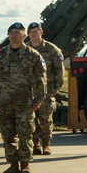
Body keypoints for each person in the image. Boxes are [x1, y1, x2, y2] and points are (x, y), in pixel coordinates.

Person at [0, 22, 46, 173]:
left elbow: (41, 80)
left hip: (25, 102)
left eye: (17, 32)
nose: (14, 35)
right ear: (8, 35)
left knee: (25, 133)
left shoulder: (33, 55)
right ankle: (13, 164)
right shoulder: (0, 56)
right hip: (4, 102)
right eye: (11, 32)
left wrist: (38, 100)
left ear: (24, 35)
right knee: (7, 135)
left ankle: (25, 164)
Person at [26, 21, 65, 156]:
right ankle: (36, 144)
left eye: (36, 31)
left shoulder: (51, 49)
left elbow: (59, 70)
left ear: (41, 32)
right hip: (29, 91)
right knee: (32, 119)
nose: (33, 34)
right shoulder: (25, 50)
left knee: (45, 119)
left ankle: (46, 144)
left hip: (47, 91)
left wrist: (56, 88)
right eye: (31, 32)